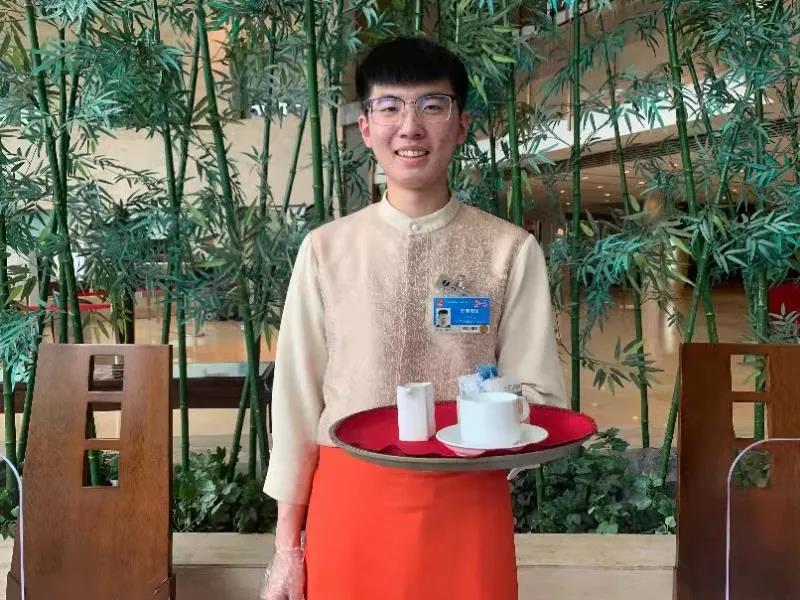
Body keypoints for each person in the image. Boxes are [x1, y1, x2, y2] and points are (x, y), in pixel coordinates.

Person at [260, 35, 565, 600]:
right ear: (366, 127)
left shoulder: (509, 250)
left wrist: (488, 424)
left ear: (462, 124)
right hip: (349, 501)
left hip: (466, 503)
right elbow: (296, 401)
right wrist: (286, 549)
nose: (410, 127)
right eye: (390, 106)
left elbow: (539, 394)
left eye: (431, 105)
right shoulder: (327, 249)